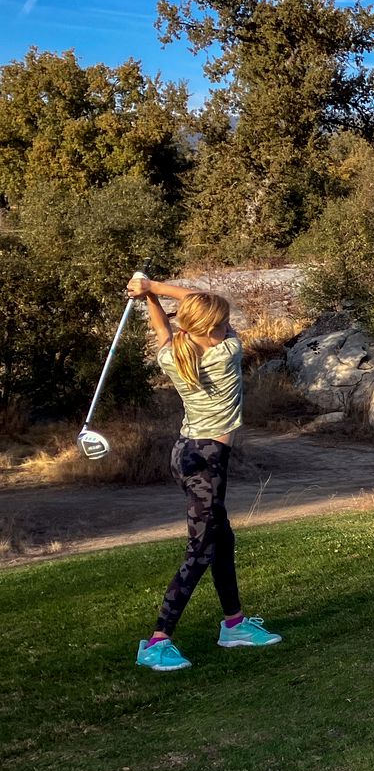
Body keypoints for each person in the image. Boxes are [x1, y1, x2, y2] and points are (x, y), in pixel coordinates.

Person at [127, 277, 281, 672]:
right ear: (213, 330)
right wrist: (154, 287)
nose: (229, 325)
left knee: (221, 540)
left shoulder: (173, 355)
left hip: (186, 453)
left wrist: (146, 296)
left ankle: (234, 625)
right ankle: (158, 641)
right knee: (200, 552)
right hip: (207, 462)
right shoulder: (227, 351)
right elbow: (196, 302)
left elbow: (167, 327)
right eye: (223, 322)